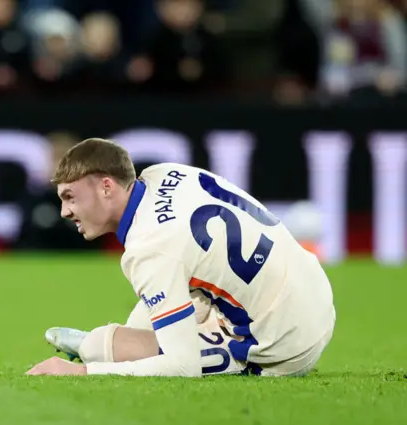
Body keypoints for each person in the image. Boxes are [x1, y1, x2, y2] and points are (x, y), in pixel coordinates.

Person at [25, 138, 336, 377]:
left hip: (288, 345)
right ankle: (102, 344)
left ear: (107, 186)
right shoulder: (168, 173)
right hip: (315, 294)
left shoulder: (149, 248)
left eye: (70, 197)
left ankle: (93, 347)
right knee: (155, 313)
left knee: (101, 348)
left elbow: (182, 366)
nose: (65, 212)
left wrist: (84, 371)